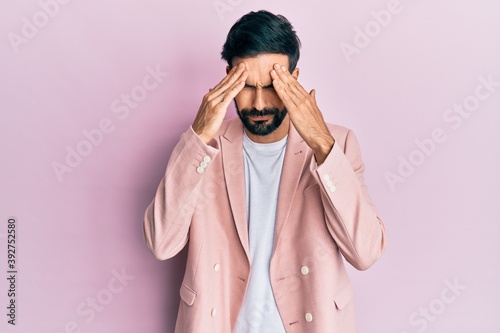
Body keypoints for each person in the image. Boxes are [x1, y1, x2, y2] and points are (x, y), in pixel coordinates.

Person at [144, 10, 386, 333]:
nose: (259, 103)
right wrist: (198, 137)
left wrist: (322, 145)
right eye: (247, 86)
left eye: (272, 85)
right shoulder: (203, 147)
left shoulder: (338, 143)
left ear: (294, 79)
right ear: (228, 77)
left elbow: (365, 252)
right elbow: (161, 242)